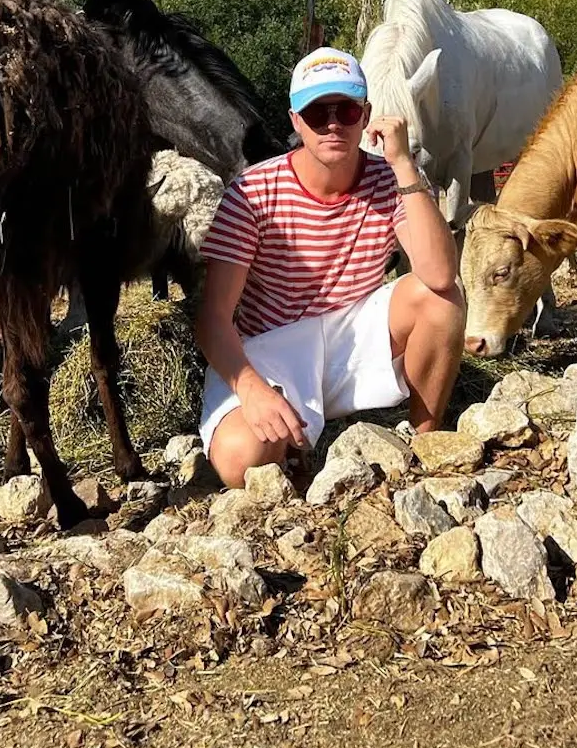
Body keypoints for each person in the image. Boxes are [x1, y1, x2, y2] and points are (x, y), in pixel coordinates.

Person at [194, 46, 465, 487]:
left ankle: (424, 444)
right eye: (317, 113)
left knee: (440, 299)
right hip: (271, 351)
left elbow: (440, 276)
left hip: (352, 339)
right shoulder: (252, 192)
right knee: (239, 460)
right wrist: (251, 389)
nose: (334, 124)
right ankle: (289, 445)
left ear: (367, 114)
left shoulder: (391, 179)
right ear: (295, 121)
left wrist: (402, 163)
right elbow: (212, 319)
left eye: (346, 109)